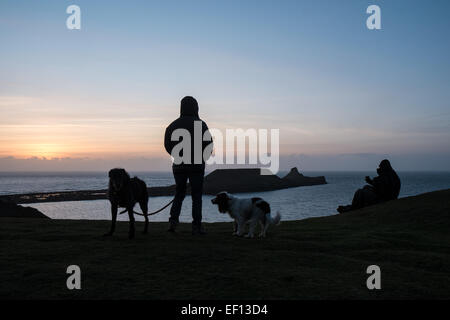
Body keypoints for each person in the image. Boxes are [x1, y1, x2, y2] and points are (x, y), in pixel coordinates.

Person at [164, 96, 213, 235]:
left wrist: (177, 156)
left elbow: (167, 145)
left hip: (179, 165)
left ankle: (172, 224)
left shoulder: (172, 125)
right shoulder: (201, 124)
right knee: (196, 196)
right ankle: (196, 226)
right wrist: (203, 158)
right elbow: (208, 145)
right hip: (197, 165)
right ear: (196, 107)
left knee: (179, 194)